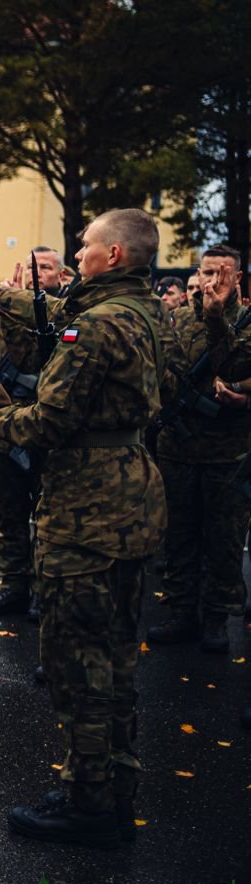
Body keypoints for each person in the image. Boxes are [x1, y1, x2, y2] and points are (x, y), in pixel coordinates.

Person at [0, 208, 167, 848]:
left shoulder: (95, 326)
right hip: (131, 495)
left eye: (86, 245)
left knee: (77, 660)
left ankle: (89, 802)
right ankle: (113, 786)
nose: (79, 252)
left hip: (89, 507)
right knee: (114, 656)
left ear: (113, 256)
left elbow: (49, 421)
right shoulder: (146, 311)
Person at [147, 246, 251, 653]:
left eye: (221, 273)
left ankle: (216, 618)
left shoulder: (243, 322)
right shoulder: (176, 318)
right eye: (206, 271)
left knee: (224, 540)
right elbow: (163, 369)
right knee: (179, 536)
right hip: (179, 447)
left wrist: (216, 316)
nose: (210, 280)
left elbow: (234, 367)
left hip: (228, 450)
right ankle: (180, 613)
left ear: (237, 279)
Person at [0, 245, 67, 622]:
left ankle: (44, 591)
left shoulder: (64, 314)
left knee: (47, 516)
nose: (37, 273)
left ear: (60, 275)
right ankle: (14, 584)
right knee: (10, 514)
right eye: (32, 267)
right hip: (4, 428)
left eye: (46, 267)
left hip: (45, 429)